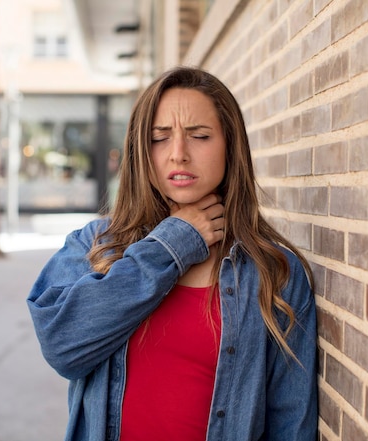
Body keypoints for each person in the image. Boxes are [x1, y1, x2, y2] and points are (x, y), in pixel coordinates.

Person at [27, 66, 318, 441]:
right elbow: (62, 345)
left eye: (199, 136)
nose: (178, 154)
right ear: (140, 151)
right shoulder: (94, 245)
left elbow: (290, 422)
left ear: (230, 145)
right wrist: (175, 244)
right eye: (159, 138)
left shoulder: (274, 273)